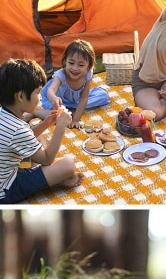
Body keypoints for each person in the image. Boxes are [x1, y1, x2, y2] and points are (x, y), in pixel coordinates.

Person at [0, 58, 83, 204]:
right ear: (20, 96)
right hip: (7, 190)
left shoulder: (5, 114)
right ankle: (57, 179)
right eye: (38, 93)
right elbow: (47, 159)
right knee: (68, 164)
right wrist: (60, 127)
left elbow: (20, 140)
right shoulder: (18, 129)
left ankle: (52, 177)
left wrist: (45, 124)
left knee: (38, 140)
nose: (39, 98)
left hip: (6, 169)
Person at [33, 39, 109, 129]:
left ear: (88, 66)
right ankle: (34, 112)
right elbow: (51, 90)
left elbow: (84, 97)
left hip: (75, 100)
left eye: (81, 65)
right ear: (65, 61)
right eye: (71, 63)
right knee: (58, 118)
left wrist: (76, 119)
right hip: (58, 101)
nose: (75, 68)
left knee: (103, 96)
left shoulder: (88, 73)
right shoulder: (60, 75)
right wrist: (54, 98)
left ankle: (71, 109)